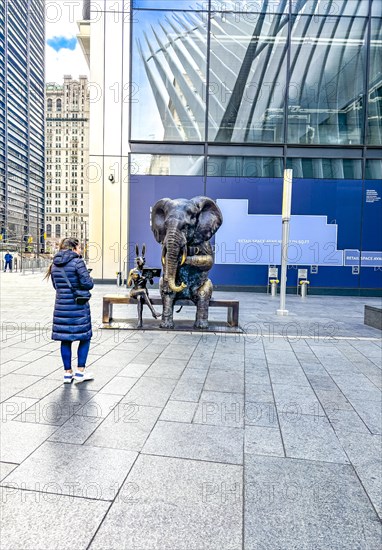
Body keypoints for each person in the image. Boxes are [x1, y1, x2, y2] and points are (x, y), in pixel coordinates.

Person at [45, 237, 94, 384]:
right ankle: (80, 372)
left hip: (61, 307)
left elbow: (56, 286)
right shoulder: (78, 262)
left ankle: (67, 373)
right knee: (85, 337)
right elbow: (88, 284)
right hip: (78, 307)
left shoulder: (54, 264)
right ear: (73, 248)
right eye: (79, 247)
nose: (80, 250)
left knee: (65, 339)